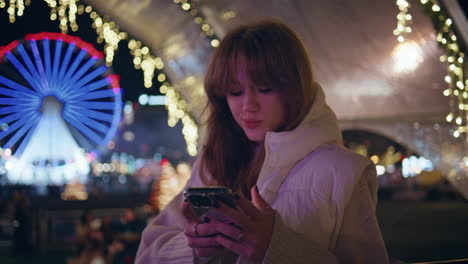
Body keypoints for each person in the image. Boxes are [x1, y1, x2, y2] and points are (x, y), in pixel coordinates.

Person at [136, 20, 389, 263]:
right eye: (235, 92)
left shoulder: (344, 171)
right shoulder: (212, 164)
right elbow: (147, 253)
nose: (248, 105)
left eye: (265, 88)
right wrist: (196, 249)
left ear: (294, 88)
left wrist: (276, 248)